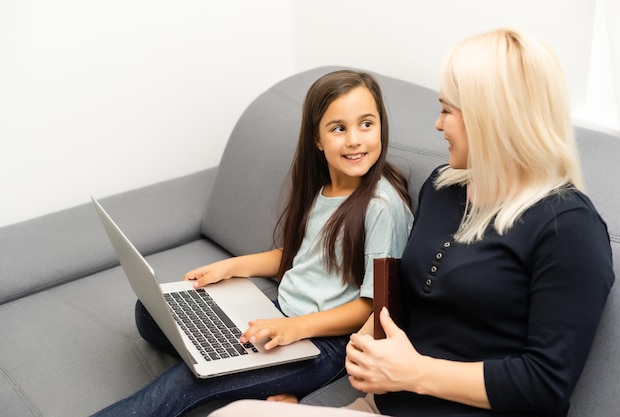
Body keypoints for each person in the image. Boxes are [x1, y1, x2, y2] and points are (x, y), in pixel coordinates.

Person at [207, 28, 615, 417]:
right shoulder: (443, 187)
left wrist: (414, 372)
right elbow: (403, 288)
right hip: (382, 403)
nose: (438, 125)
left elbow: (546, 383)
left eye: (447, 110)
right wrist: (364, 338)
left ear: (491, 118)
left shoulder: (569, 229)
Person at [91, 70, 414, 417]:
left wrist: (294, 328)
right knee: (150, 313)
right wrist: (230, 267)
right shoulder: (321, 188)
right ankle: (246, 372)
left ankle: (250, 375)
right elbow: (297, 256)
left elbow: (373, 307)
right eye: (339, 128)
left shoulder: (382, 207)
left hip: (325, 346)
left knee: (184, 382)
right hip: (281, 315)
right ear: (317, 139)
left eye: (366, 124)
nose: (355, 140)